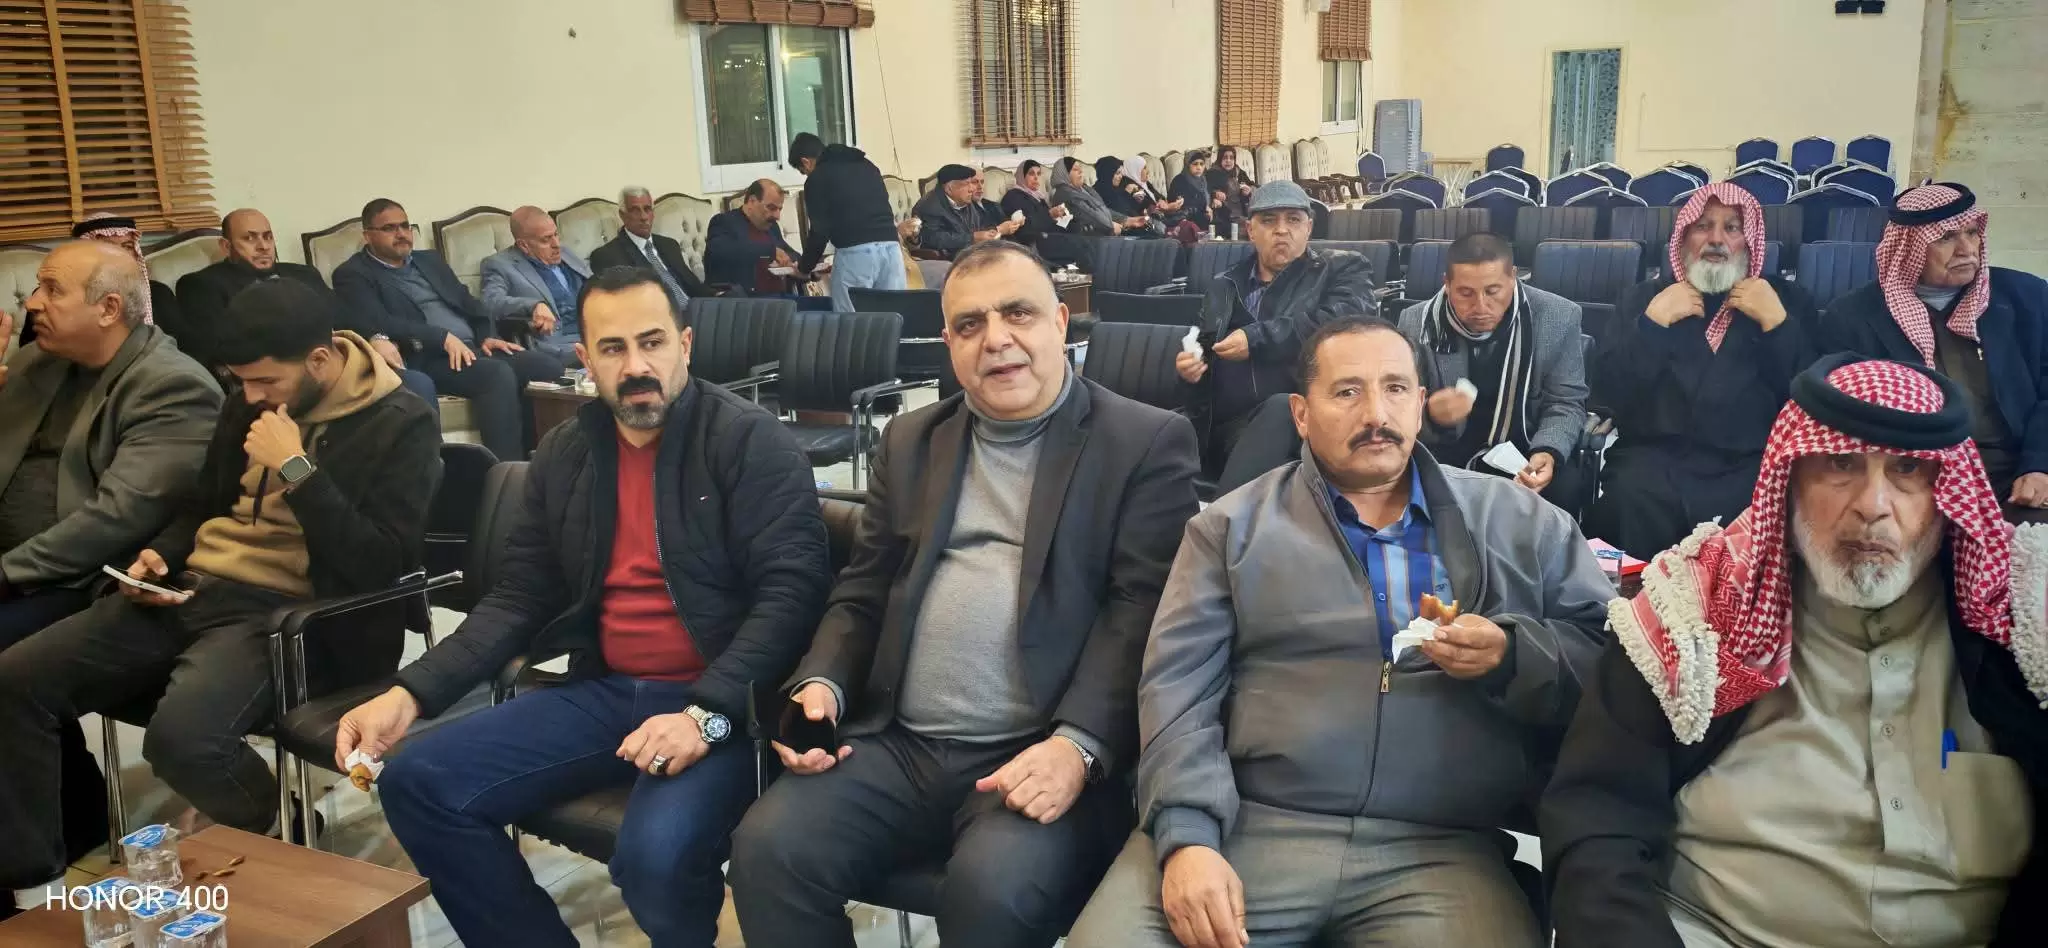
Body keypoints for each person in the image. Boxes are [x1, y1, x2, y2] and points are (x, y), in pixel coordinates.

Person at [1068, 316, 1610, 948]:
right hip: (1249, 824)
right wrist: (1187, 837)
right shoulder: (1231, 528)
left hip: (1441, 846)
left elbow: (1608, 660)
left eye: (1396, 389)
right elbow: (1176, 691)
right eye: (1348, 391)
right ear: (1301, 414)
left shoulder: (1520, 522)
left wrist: (1513, 653)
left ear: (1420, 404)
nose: (1376, 413)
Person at [337, 266, 831, 946]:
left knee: (655, 859)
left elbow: (792, 595)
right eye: (613, 348)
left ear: (685, 344)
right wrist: (411, 693)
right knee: (419, 783)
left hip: (726, 701)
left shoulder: (750, 441)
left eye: (653, 342)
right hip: (607, 690)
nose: (637, 366)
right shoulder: (567, 452)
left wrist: (705, 714)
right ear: (584, 358)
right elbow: (520, 595)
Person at [728, 241, 1203, 948]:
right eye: (971, 324)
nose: (996, 339)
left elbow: (1141, 614)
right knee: (768, 852)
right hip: (898, 743)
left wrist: (1078, 747)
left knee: (991, 895)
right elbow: (864, 587)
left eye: (1018, 313)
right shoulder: (912, 439)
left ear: (1061, 323)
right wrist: (821, 683)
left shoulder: (1144, 442)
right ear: (948, 344)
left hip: (1038, 747)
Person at [1542, 355, 2048, 948]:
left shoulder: (2022, 617)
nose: (1873, 504)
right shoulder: (1692, 609)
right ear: (1789, 480)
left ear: (1946, 492)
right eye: (1841, 464)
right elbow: (1597, 821)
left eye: (1908, 469)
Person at [0, 278, 438, 903]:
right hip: (194, 587)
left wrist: (297, 468)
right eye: (241, 381)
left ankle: (270, 820)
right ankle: (33, 889)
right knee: (15, 681)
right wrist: (163, 555)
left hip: (292, 614)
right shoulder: (247, 399)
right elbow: (203, 504)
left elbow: (380, 563)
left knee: (186, 742)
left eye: (265, 382)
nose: (250, 396)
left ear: (319, 360)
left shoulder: (400, 420)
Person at [0, 241, 220, 902]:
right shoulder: (37, 363)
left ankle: (27, 877)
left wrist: (3, 573)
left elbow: (114, 522)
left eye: (51, 290)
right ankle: (75, 819)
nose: (31, 304)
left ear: (109, 308)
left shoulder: (171, 384)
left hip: (95, 578)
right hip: (26, 569)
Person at [1585, 182, 1821, 560]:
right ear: (1683, 239)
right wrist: (1652, 325)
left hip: (1748, 468)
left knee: (1765, 513)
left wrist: (1777, 325)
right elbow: (1609, 394)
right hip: (1653, 463)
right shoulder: (1644, 299)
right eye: (1703, 226)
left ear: (1750, 240)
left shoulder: (1788, 302)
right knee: (1625, 499)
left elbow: (1810, 401)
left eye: (1732, 227)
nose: (1716, 239)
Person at [1821, 183, 2048, 525]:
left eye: (1971, 233)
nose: (1966, 249)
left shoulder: (2027, 297)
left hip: (2017, 473)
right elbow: (1847, 418)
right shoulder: (1853, 317)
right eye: (1946, 238)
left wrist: (2039, 464)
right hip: (1912, 479)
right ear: (1909, 248)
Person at [334, 198, 561, 460]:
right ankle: (506, 468)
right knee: (496, 374)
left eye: (405, 226)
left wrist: (486, 336)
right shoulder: (353, 274)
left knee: (545, 367)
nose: (401, 234)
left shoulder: (429, 260)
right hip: (425, 356)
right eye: (389, 228)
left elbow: (469, 302)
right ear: (367, 235)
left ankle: (542, 458)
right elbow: (377, 320)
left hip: (471, 348)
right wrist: (440, 337)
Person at [1178, 180, 1378, 475]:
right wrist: (1191, 367)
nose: (1281, 230)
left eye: (1293, 220)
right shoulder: (1225, 284)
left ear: (1309, 228)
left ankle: (1229, 506)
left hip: (1299, 422)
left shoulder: (1342, 269)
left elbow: (1346, 324)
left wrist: (1256, 338)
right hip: (1215, 423)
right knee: (1140, 431)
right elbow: (1202, 341)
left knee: (1280, 410)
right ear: (1251, 230)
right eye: (1269, 220)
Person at [1397, 232, 1589, 507]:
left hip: (1526, 446)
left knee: (1564, 488)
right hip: (1446, 450)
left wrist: (1548, 450)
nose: (1480, 306)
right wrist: (1430, 415)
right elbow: (1401, 404)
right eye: (1465, 293)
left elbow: (1565, 402)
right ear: (1447, 284)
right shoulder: (1416, 322)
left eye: (1492, 291)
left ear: (1513, 278)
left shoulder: (1557, 316)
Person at [177, 209, 438, 409]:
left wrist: (376, 337)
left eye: (268, 237)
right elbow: (213, 345)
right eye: (249, 238)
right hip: (285, 374)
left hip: (340, 362)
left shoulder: (302, 274)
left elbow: (344, 313)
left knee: (417, 383)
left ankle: (427, 463)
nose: (263, 246)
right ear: (226, 247)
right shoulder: (202, 285)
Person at [789, 132, 906, 311]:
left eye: (803, 171)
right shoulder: (868, 166)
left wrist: (804, 268)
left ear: (806, 162)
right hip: (892, 249)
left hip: (855, 254)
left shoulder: (817, 178)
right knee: (893, 317)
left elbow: (819, 232)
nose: (806, 175)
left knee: (850, 321)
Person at [482, 206, 593, 368]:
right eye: (546, 240)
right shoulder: (500, 265)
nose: (556, 244)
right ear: (524, 245)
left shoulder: (565, 253)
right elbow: (491, 302)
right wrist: (533, 306)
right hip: (559, 343)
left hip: (593, 331)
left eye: (556, 234)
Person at [589, 186, 720, 306]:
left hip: (695, 309)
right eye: (635, 211)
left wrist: (719, 296)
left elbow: (694, 286)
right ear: (622, 215)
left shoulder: (669, 245)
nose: (643, 217)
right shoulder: (607, 256)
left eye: (647, 209)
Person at [703, 178, 802, 291]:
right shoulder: (724, 222)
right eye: (771, 208)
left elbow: (789, 253)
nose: (777, 216)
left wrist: (806, 268)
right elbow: (720, 252)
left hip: (783, 297)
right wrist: (769, 252)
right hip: (745, 299)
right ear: (752, 201)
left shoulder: (771, 226)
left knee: (820, 301)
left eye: (779, 209)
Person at [915, 164, 1021, 259]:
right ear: (949, 188)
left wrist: (992, 232)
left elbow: (978, 228)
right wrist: (972, 238)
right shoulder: (930, 206)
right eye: (966, 184)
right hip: (952, 258)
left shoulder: (966, 201)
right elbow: (933, 238)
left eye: (971, 183)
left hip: (974, 252)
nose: (971, 189)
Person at [1000, 160, 1087, 269]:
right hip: (1035, 244)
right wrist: (1049, 215)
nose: (1036, 178)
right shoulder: (1013, 197)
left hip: (1049, 239)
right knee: (1085, 246)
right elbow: (1023, 228)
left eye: (1038, 174)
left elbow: (1048, 222)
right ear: (1022, 176)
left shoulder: (1039, 197)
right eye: (1031, 174)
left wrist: (1062, 218)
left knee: (1082, 236)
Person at [1053, 156, 1147, 238]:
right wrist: (1111, 226)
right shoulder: (1065, 194)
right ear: (1064, 174)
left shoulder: (1084, 189)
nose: (1081, 171)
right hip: (1091, 239)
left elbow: (1102, 209)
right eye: (1075, 169)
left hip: (1105, 235)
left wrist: (1127, 220)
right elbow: (1088, 214)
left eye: (1080, 168)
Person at [1096, 157, 1167, 237]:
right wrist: (1127, 194)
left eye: (1121, 173)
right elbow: (1122, 212)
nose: (1121, 176)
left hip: (1141, 225)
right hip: (1128, 233)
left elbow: (1134, 209)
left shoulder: (1116, 189)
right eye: (1118, 173)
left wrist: (1143, 207)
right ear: (1107, 174)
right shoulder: (1101, 192)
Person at [1207, 147, 1257, 238]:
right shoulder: (1212, 174)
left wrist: (1249, 191)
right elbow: (1204, 192)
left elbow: (1253, 186)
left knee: (1259, 226)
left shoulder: (1238, 172)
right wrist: (1214, 195)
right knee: (1252, 230)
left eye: (1231, 158)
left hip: (1242, 213)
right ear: (1220, 159)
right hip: (1225, 217)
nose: (1228, 161)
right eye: (1225, 158)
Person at [1171, 151, 1218, 234]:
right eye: (1195, 164)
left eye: (1201, 164)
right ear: (1188, 165)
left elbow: (1208, 196)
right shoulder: (1179, 180)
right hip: (1187, 219)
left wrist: (1211, 204)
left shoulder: (1204, 180)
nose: (1199, 167)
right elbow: (1180, 205)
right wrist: (1205, 208)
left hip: (1204, 216)